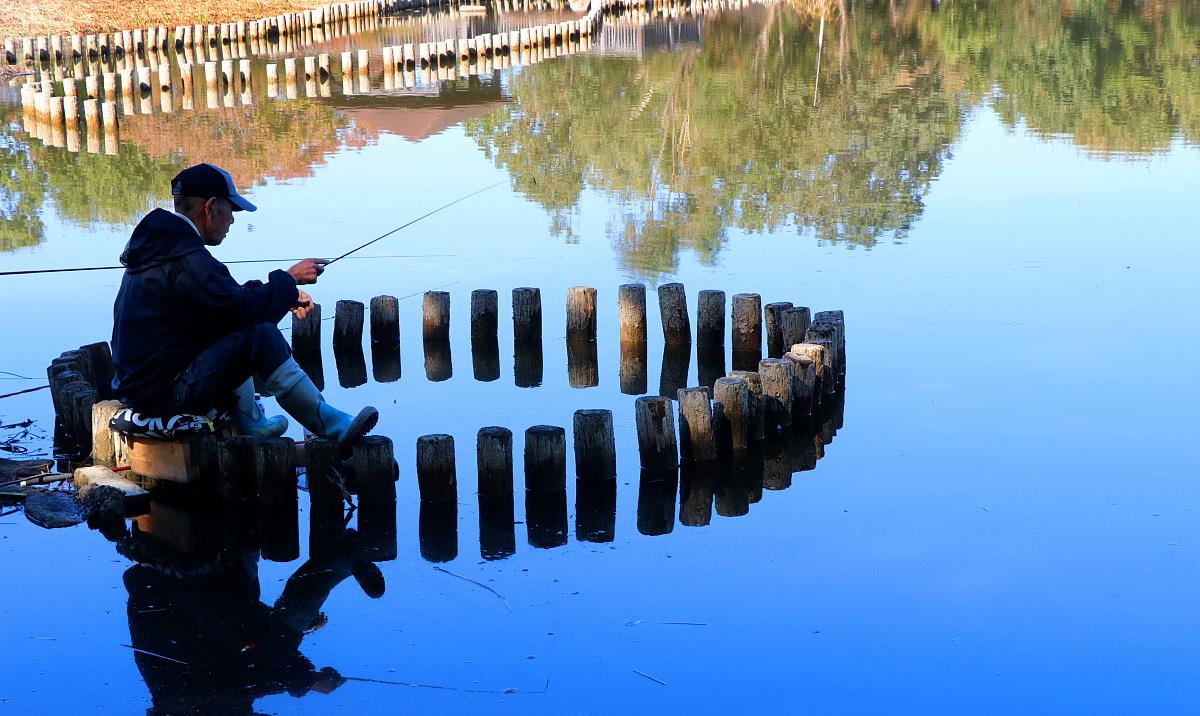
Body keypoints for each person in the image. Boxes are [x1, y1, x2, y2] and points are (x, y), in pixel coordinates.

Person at [110, 163, 377, 451]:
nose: (233, 221)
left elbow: (226, 303)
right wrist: (288, 280)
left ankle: (251, 421)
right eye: (231, 211)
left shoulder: (164, 247)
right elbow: (242, 310)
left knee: (239, 327)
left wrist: (286, 293)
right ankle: (332, 425)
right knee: (259, 334)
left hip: (147, 387)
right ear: (211, 208)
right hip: (161, 396)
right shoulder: (185, 259)